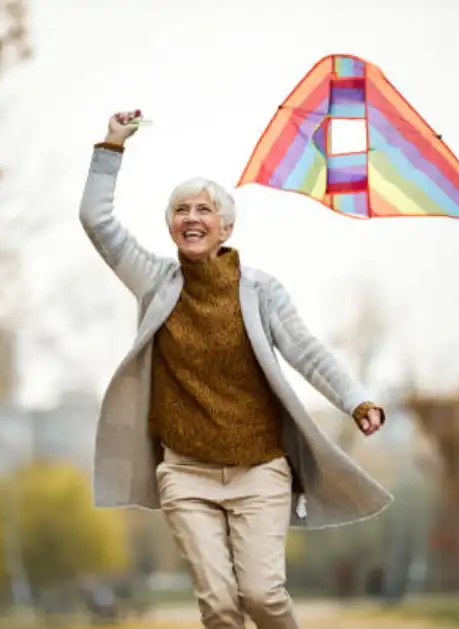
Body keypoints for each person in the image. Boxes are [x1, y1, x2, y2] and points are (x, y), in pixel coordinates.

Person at [79, 111, 393, 629]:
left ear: (226, 227)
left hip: (259, 471)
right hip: (186, 473)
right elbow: (96, 221)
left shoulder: (260, 290)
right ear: (171, 226)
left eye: (204, 209)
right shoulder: (154, 281)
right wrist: (112, 145)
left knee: (262, 597)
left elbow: (306, 350)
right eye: (181, 210)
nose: (192, 217)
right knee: (221, 606)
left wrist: (356, 400)